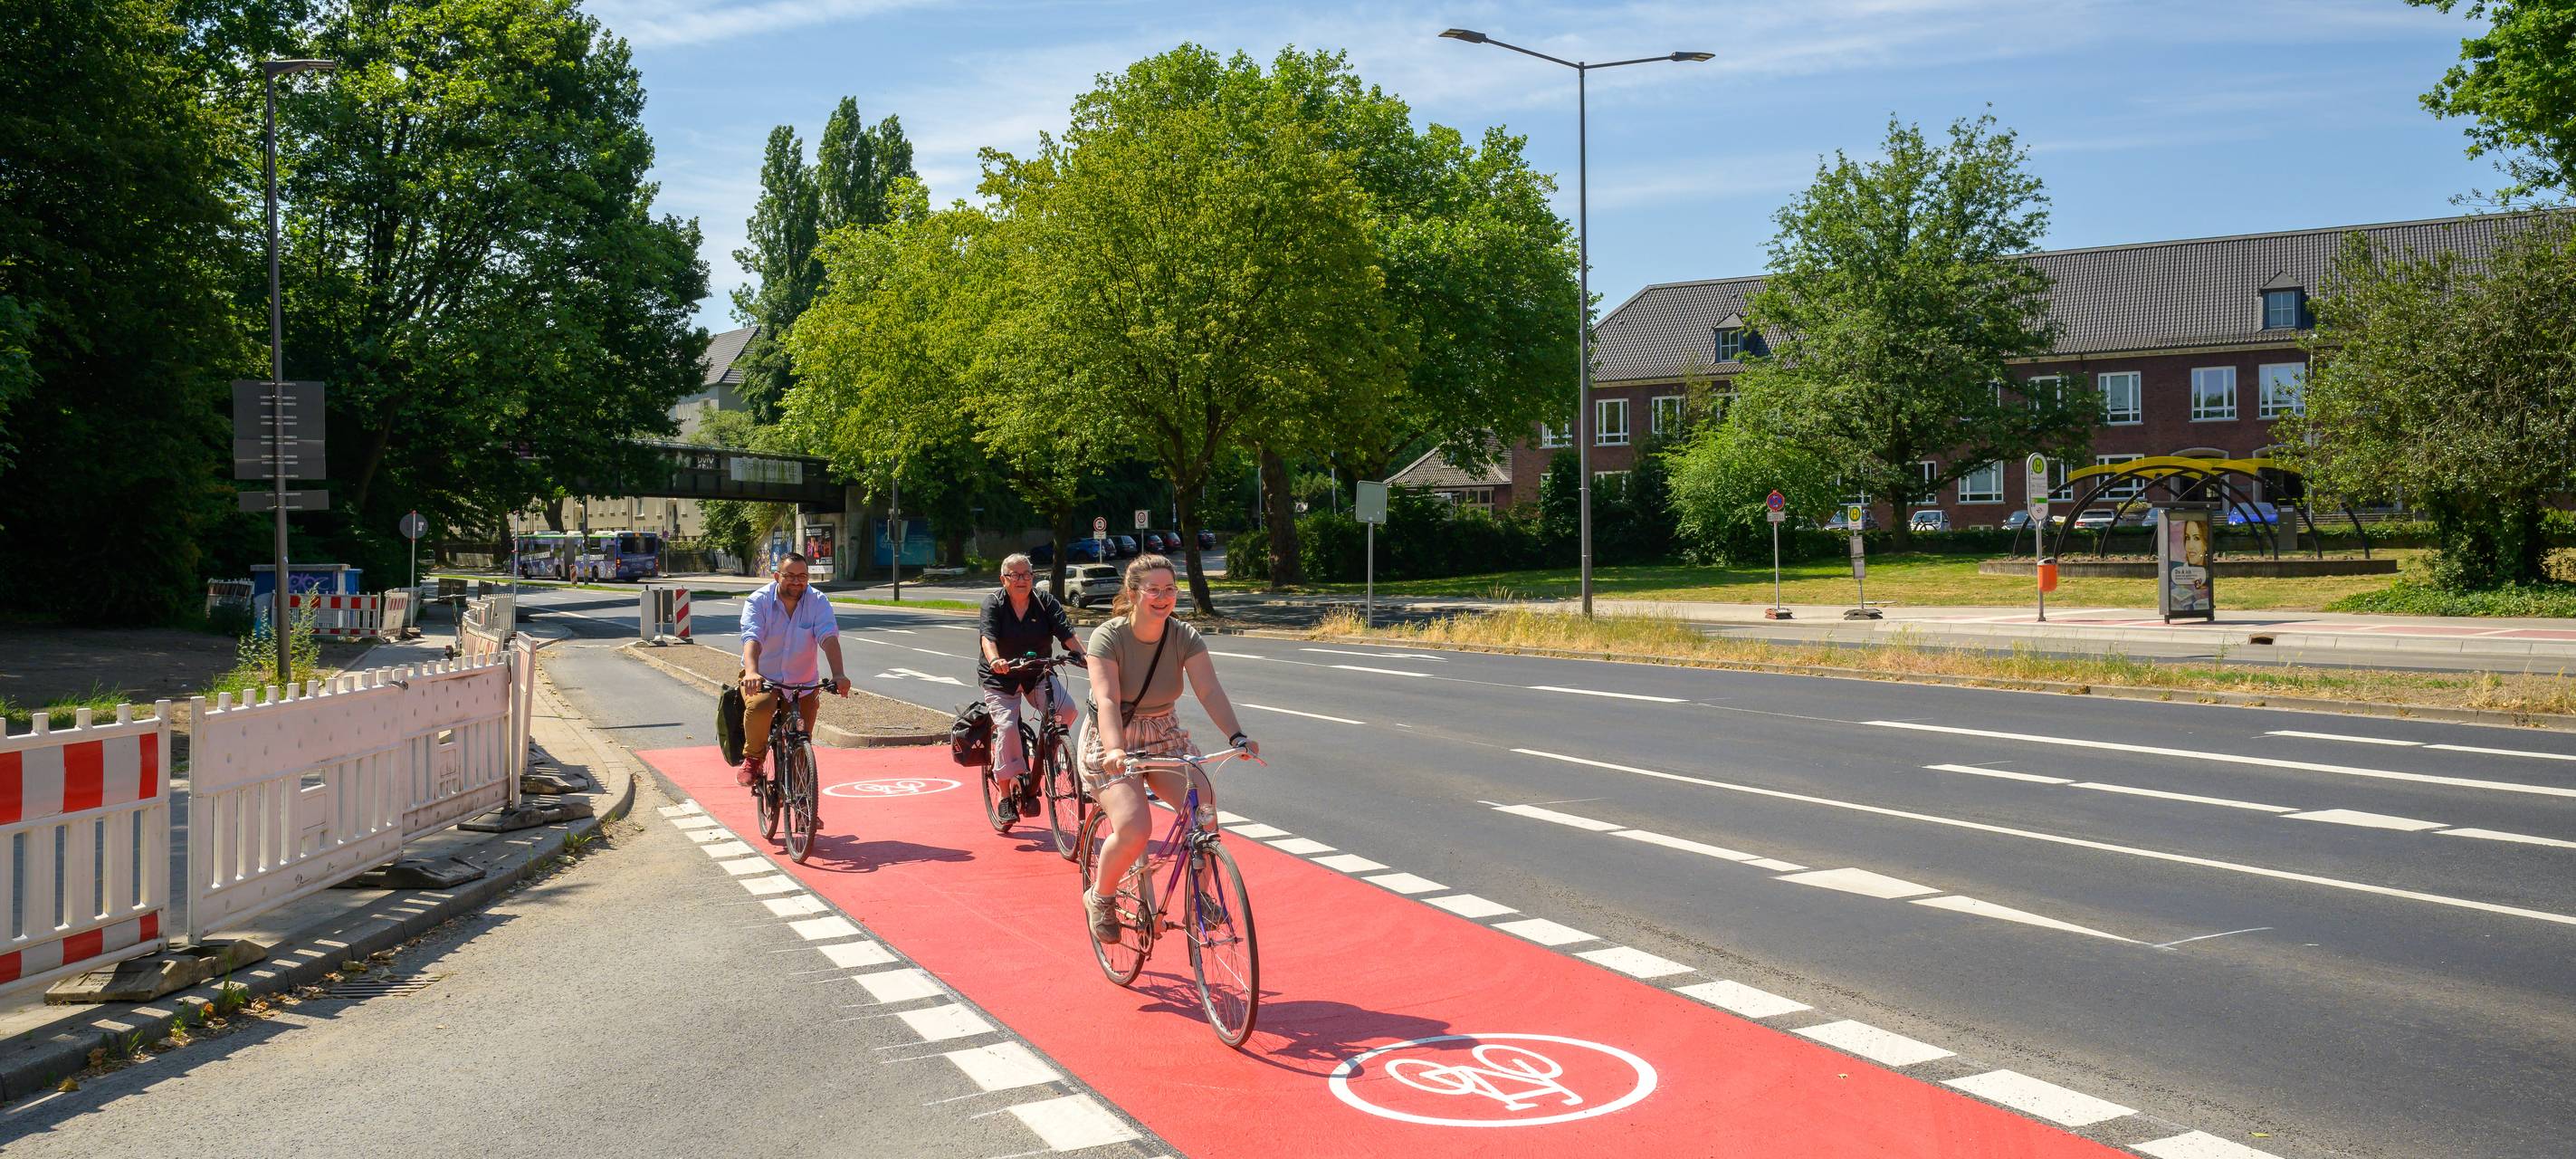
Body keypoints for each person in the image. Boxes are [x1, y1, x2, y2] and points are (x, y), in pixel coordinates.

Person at [1077, 553, 1259, 942]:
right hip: (1115, 738)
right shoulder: (1107, 636)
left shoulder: (1183, 635)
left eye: (1170, 590)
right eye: (1153, 590)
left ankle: (1203, 896)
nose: (1163, 597)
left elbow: (1209, 690)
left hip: (1163, 733)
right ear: (1133, 593)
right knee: (1134, 827)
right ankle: (1101, 896)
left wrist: (1236, 736)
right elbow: (1107, 699)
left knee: (1204, 809)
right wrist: (1114, 749)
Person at [978, 553, 1086, 820]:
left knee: (1067, 709)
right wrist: (995, 660)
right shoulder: (993, 604)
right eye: (1015, 575)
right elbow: (987, 638)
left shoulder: (1045, 602)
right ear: (1004, 579)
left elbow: (1067, 634)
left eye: (1027, 574)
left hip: (1037, 671)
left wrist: (1086, 658)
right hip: (1001, 676)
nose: (1022, 579)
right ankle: (1005, 795)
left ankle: (1046, 748)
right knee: (1006, 726)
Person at [737, 552, 851, 786]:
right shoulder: (758, 601)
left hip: (803, 681)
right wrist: (751, 672)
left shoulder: (817, 601)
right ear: (777, 576)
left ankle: (803, 809)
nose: (797, 582)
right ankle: (754, 759)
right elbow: (752, 638)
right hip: (763, 676)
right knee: (760, 706)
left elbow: (828, 637)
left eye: (803, 576)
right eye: (790, 576)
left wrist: (839, 674)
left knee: (801, 740)